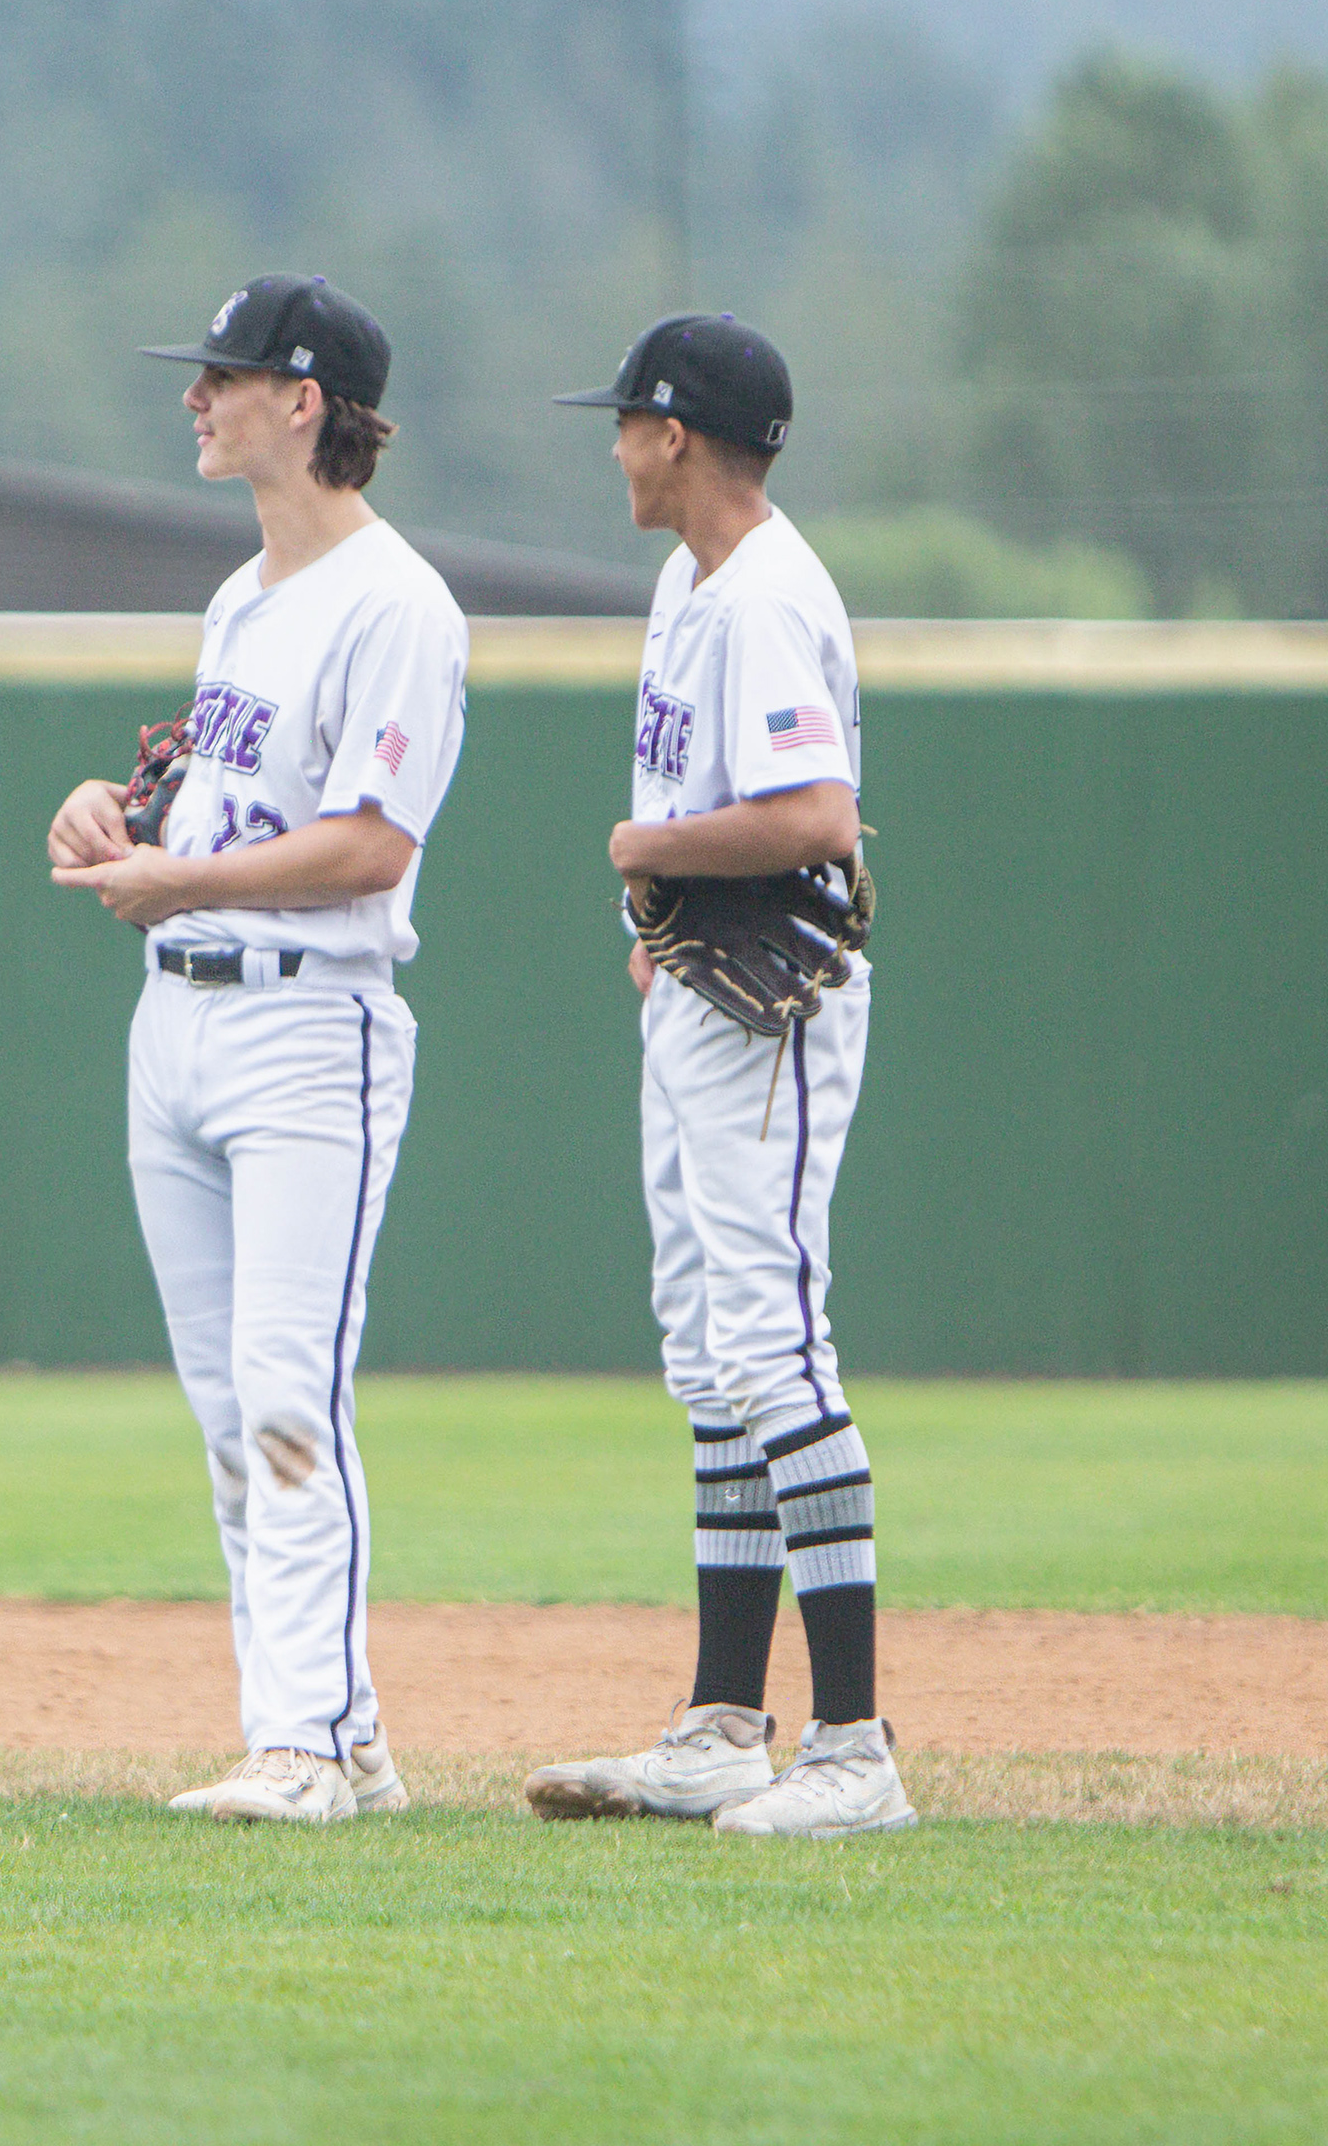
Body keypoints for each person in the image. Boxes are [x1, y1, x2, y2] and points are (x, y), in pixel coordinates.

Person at [46, 275, 470, 1826]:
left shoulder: (398, 604)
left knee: (291, 1394)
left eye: (222, 377)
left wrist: (187, 881)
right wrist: (116, 816)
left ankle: (298, 1746)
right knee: (232, 1416)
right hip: (178, 1014)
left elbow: (370, 846)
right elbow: (214, 798)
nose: (194, 398)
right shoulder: (246, 597)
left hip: (307, 1019)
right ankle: (335, 1733)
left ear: (304, 403)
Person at [523, 311, 915, 1839]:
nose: (617, 447)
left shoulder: (760, 596)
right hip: (701, 993)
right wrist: (663, 913)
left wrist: (645, 848)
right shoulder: (690, 585)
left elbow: (817, 815)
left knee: (771, 1341)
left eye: (627, 422)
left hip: (772, 1022)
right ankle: (723, 1727)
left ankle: (857, 1747)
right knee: (708, 1349)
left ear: (675, 434)